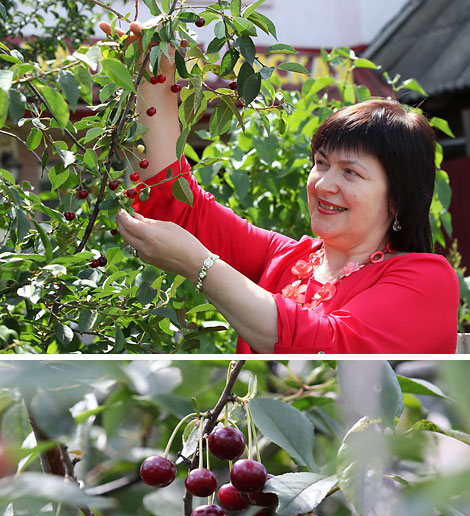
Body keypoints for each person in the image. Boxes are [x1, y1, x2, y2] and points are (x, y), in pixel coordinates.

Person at [101, 21, 459, 355]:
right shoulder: (289, 258)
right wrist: (155, 79)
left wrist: (200, 266)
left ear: (397, 198)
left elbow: (322, 345)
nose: (325, 184)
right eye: (321, 163)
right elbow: (176, 203)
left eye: (350, 172)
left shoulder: (426, 279)